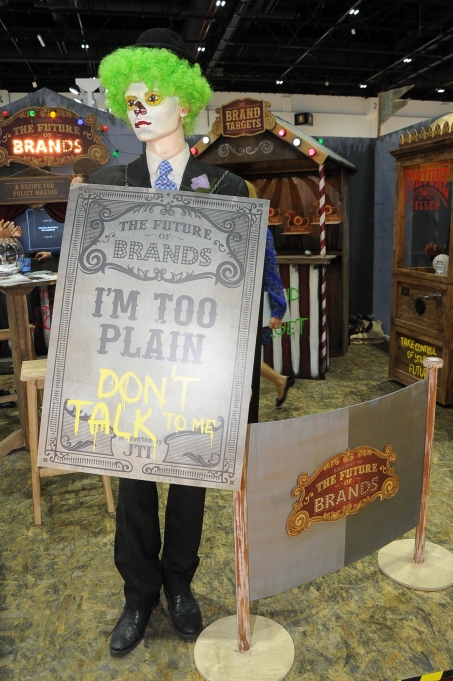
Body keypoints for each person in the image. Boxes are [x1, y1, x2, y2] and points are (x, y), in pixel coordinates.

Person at [88, 28, 248, 658]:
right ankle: (138, 594)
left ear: (185, 101)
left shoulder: (228, 190)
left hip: (195, 369)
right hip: (128, 367)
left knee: (188, 480)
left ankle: (180, 585)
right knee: (133, 484)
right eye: (131, 101)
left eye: (152, 97)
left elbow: (239, 291)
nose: (139, 111)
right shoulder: (107, 183)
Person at [245, 182, 295, 407]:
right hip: (230, 301)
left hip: (252, 302)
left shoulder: (260, 231)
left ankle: (278, 381)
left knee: (244, 356)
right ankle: (280, 380)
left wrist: (278, 308)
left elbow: (270, 269)